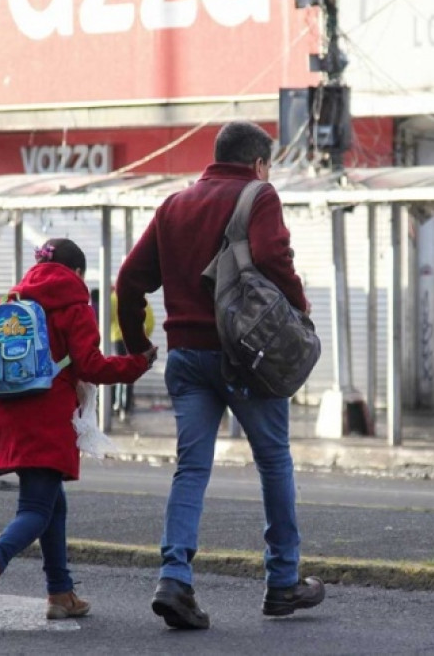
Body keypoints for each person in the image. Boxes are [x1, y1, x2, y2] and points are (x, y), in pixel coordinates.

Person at [116, 121, 323, 630]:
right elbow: (273, 255)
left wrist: (139, 344)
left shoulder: (173, 205)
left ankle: (174, 578)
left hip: (187, 358)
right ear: (258, 164)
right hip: (244, 355)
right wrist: (298, 308)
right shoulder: (260, 194)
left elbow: (129, 280)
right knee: (273, 461)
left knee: (191, 468)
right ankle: (282, 583)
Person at [0, 238, 157, 621]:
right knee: (36, 508)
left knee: (53, 502)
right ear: (78, 273)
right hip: (49, 418)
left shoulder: (11, 306)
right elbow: (91, 366)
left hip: (8, 416)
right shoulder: (75, 305)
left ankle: (60, 593)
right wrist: (137, 364)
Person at [111, 288, 155, 420]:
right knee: (130, 371)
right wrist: (144, 337)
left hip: (115, 339)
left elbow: (105, 317)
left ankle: (116, 404)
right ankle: (126, 407)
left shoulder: (113, 298)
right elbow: (150, 321)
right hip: (131, 339)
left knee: (117, 370)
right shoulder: (140, 298)